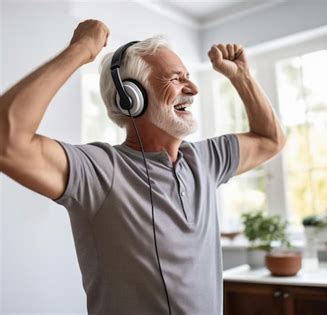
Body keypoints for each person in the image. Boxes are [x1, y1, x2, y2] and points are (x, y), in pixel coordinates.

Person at [0, 19, 286, 314]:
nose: (193, 88)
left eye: (188, 76)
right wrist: (81, 49)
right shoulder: (100, 172)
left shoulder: (205, 159)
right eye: (176, 79)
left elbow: (270, 139)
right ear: (131, 98)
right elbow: (6, 141)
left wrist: (242, 78)